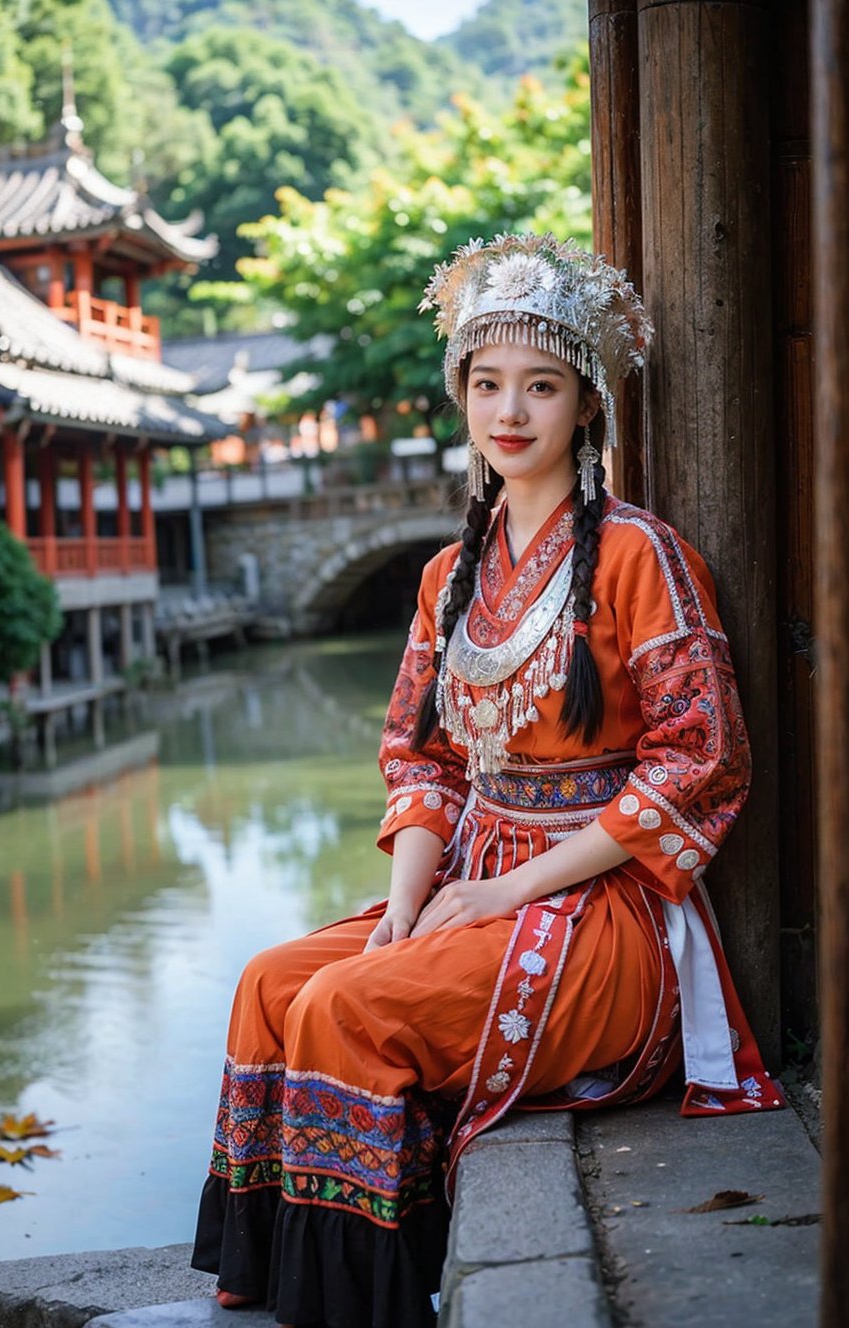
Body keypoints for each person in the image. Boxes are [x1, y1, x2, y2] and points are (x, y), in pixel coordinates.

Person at [191, 233, 783, 1328]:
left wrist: (507, 891)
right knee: (273, 983)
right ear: (461, 397)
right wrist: (404, 908)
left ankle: (355, 1305)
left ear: (586, 407)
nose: (509, 410)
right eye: (486, 383)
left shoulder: (637, 556)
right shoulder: (440, 577)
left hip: (601, 911)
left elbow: (698, 757)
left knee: (342, 1009)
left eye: (541, 385)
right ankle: (286, 1283)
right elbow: (421, 762)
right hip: (467, 878)